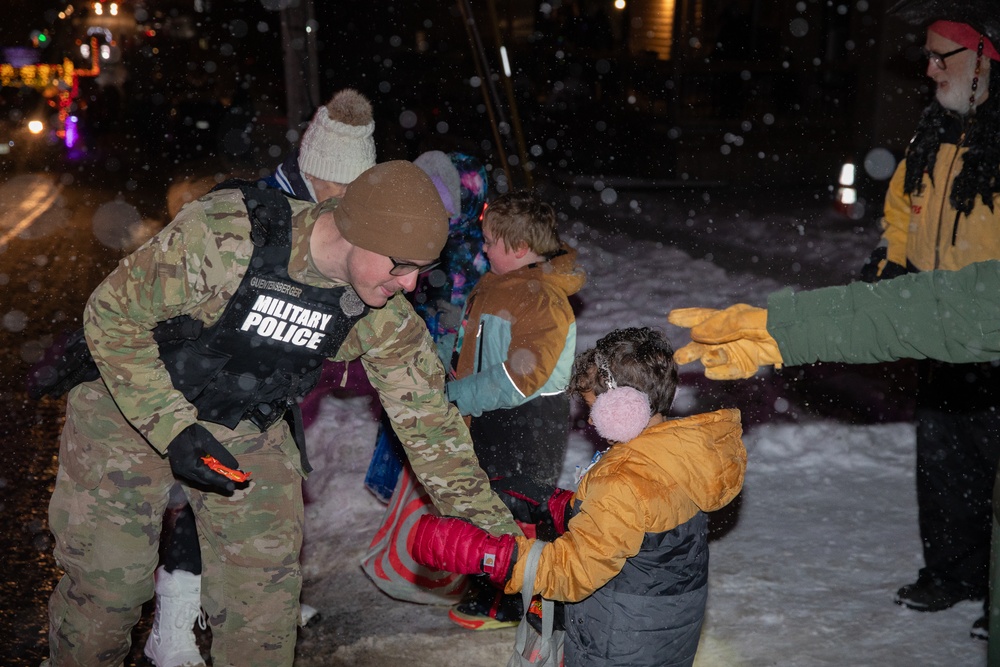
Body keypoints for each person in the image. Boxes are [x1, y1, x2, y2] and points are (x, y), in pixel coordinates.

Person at [44, 160, 518, 667]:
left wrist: (500, 539)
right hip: (128, 404)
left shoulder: (377, 313)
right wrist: (173, 428)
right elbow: (112, 317)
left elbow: (429, 424)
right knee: (109, 593)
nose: (408, 286)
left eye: (420, 271)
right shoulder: (227, 238)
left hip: (245, 422)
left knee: (264, 605)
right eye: (401, 266)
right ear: (358, 234)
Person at [144, 88, 378, 667]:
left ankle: (264, 601)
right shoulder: (250, 209)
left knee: (262, 500)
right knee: (200, 495)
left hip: (269, 389)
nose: (347, 202)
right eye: (340, 188)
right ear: (314, 170)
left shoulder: (336, 212)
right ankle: (170, 628)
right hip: (205, 386)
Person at [407, 326, 747, 667]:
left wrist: (487, 554)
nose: (592, 421)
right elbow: (646, 523)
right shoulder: (676, 458)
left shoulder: (622, 480)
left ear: (622, 408)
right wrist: (568, 507)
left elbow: (573, 573)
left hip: (616, 647)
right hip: (658, 636)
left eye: (592, 409)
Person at [852, 0, 1000, 637]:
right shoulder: (932, 136)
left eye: (946, 57)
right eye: (930, 58)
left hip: (994, 337)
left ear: (986, 59)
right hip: (940, 334)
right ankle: (954, 572)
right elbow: (901, 215)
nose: (933, 69)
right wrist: (891, 265)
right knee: (945, 464)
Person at [444, 190, 587, 630]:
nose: (482, 247)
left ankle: (519, 599)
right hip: (493, 417)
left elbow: (519, 376)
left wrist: (459, 396)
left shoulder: (540, 300)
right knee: (493, 503)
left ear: (520, 248)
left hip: (527, 422)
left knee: (519, 508)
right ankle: (496, 588)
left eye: (490, 240)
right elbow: (476, 346)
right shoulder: (500, 285)